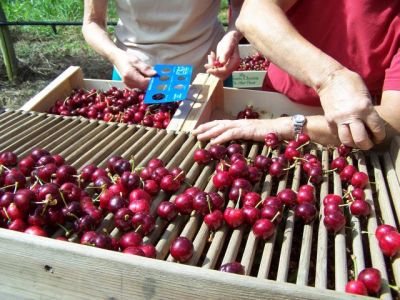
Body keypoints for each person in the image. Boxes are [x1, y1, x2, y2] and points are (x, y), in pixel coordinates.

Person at [197, 0, 400, 150]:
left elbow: (393, 119)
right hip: (273, 104)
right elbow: (253, 13)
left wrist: (284, 126)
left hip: (343, 135)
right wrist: (331, 78)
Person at [82, 0, 243, 90]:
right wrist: (115, 55)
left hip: (208, 72)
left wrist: (233, 34)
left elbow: (240, 6)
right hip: (133, 75)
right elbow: (92, 22)